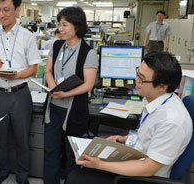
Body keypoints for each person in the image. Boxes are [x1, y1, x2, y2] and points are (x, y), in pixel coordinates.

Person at [67, 51, 193, 184]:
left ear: (162, 86)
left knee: (76, 178)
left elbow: (148, 168)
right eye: (137, 73)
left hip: (144, 178)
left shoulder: (171, 121)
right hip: (136, 159)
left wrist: (100, 165)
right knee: (82, 169)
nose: (136, 80)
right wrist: (124, 139)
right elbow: (148, 134)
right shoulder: (156, 100)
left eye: (142, 78)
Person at [0, 0, 41, 184]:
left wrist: (15, 76)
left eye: (6, 9)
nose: (1, 15)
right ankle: (1, 172)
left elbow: (33, 69)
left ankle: (23, 177)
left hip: (19, 93)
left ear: (17, 9)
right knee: (0, 136)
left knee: (23, 139)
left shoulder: (27, 36)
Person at [44, 6, 98, 184]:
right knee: (50, 151)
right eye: (59, 24)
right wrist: (54, 89)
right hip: (53, 109)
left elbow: (88, 85)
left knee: (71, 154)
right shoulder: (57, 45)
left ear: (77, 26)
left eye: (65, 25)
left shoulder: (88, 52)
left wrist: (65, 93)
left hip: (73, 110)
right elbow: (48, 71)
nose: (60, 29)